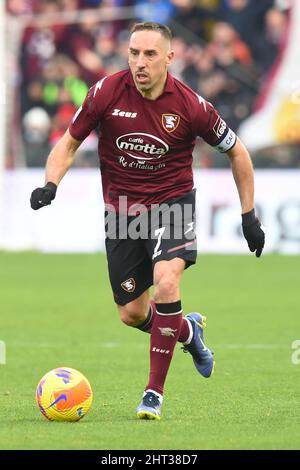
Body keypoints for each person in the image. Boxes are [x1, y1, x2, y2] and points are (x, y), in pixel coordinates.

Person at [30, 22, 265, 420]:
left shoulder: (191, 106)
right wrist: (51, 184)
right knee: (132, 313)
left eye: (150, 54)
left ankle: (153, 393)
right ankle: (188, 332)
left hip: (172, 205)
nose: (140, 62)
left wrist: (248, 216)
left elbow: (238, 152)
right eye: (134, 53)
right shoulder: (105, 92)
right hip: (122, 212)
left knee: (168, 282)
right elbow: (69, 143)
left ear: (169, 58)